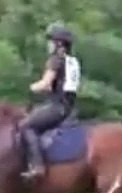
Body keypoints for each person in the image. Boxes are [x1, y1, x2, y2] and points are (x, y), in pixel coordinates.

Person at [19, 22, 81, 181]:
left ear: (59, 43)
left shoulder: (55, 59)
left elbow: (45, 83)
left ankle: (37, 166)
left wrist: (31, 87)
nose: (48, 44)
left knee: (26, 126)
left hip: (57, 107)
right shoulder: (71, 61)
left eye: (50, 41)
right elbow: (61, 85)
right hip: (68, 107)